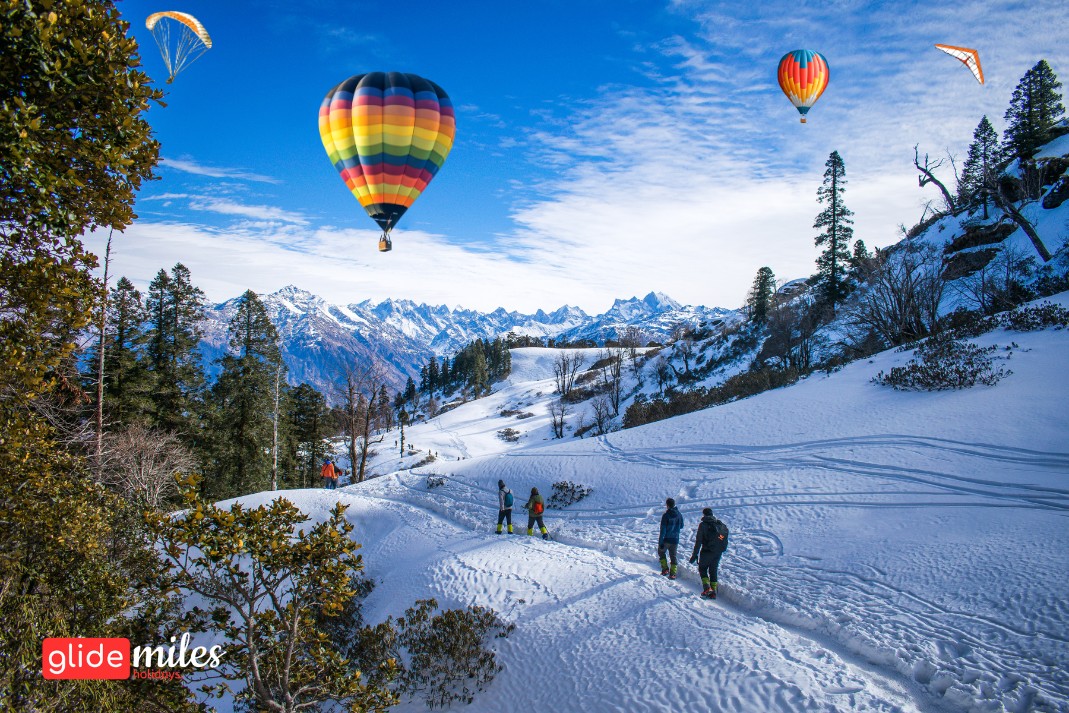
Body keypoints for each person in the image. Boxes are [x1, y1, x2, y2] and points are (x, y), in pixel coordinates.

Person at [689, 508, 729, 599]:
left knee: (702, 568)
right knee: (713, 570)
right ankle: (713, 591)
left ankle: (707, 588)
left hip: (707, 551)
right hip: (718, 551)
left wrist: (694, 555)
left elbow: (698, 541)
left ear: (704, 515)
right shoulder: (720, 524)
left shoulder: (703, 525)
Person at [658, 498, 684, 579]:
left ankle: (665, 569)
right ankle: (673, 573)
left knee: (661, 552)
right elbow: (682, 526)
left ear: (667, 505)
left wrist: (660, 542)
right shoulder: (679, 514)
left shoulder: (666, 515)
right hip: (675, 539)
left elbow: (663, 530)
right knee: (673, 556)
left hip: (666, 539)